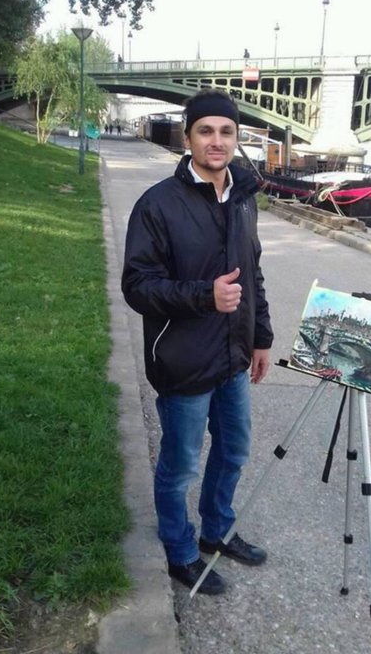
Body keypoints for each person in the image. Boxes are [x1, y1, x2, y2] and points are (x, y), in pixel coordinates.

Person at [122, 88, 273, 595]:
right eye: (205, 131)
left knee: (233, 451)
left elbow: (251, 276)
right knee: (181, 462)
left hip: (232, 357)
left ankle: (216, 530)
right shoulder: (157, 205)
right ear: (187, 138)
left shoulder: (244, 200)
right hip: (183, 360)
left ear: (236, 138)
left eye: (226, 132)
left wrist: (261, 338)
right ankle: (179, 550)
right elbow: (138, 287)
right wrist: (204, 296)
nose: (217, 141)